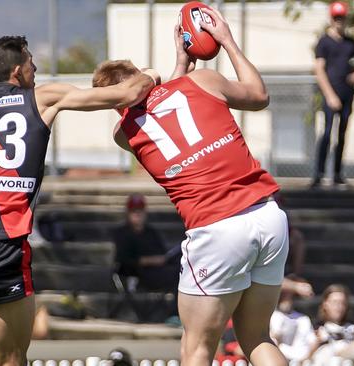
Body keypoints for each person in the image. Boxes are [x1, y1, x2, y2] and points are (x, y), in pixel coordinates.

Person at [0, 36, 159, 366]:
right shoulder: (41, 97)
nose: (36, 67)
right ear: (17, 71)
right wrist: (151, 76)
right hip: (1, 242)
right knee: (12, 357)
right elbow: (126, 94)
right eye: (31, 62)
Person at [93, 7, 289, 366]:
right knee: (257, 337)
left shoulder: (126, 135)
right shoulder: (204, 81)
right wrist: (226, 41)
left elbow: (151, 108)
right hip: (268, 215)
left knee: (197, 347)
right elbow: (258, 95)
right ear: (141, 77)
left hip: (217, 228)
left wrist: (171, 71)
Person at [311, 1, 354, 187]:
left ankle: (337, 173)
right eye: (336, 18)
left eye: (342, 18)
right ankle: (319, 174)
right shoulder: (324, 42)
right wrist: (330, 95)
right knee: (328, 133)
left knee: (342, 134)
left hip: (347, 94)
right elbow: (319, 70)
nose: (339, 21)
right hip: (331, 93)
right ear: (331, 19)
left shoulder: (351, 43)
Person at [112, 193, 179, 292]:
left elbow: (162, 253)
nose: (137, 214)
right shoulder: (122, 233)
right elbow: (123, 260)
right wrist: (149, 260)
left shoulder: (151, 232)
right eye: (134, 211)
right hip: (135, 275)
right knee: (176, 275)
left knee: (181, 269)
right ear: (128, 213)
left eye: (140, 210)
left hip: (157, 271)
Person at [270, 277, 316, 363]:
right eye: (284, 294)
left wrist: (305, 359)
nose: (286, 298)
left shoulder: (303, 319)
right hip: (279, 357)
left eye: (290, 295)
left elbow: (312, 342)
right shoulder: (274, 316)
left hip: (301, 359)